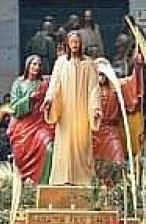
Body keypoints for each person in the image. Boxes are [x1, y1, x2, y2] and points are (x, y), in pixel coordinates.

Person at [42, 30, 102, 186]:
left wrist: (95, 108)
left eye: (77, 42)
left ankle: (83, 179)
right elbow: (54, 85)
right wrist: (49, 100)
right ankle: (62, 178)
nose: (75, 45)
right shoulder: (61, 63)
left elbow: (94, 89)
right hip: (65, 113)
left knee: (82, 145)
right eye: (72, 42)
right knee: (64, 146)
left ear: (81, 44)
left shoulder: (89, 64)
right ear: (68, 44)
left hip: (82, 112)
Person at [8, 55, 56, 184]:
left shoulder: (44, 84)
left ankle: (44, 185)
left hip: (40, 125)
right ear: (28, 66)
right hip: (23, 128)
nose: (36, 67)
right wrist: (29, 98)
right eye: (34, 64)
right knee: (20, 157)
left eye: (39, 65)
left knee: (49, 148)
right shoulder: (18, 84)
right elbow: (14, 108)